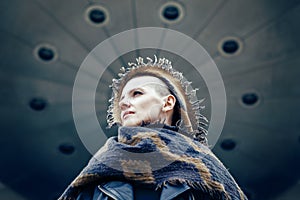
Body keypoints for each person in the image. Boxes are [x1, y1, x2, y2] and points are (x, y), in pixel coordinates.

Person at [59, 56, 247, 200]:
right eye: (122, 99)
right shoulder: (101, 164)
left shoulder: (206, 166)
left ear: (167, 103)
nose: (124, 103)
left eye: (137, 93)